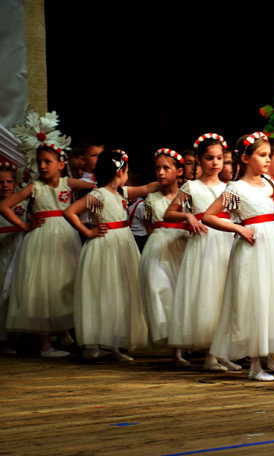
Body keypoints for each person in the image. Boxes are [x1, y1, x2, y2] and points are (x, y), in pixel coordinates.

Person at [206, 132, 274, 380]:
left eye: (269, 155)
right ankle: (255, 365)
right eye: (262, 155)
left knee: (273, 297)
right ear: (246, 158)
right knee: (253, 300)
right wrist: (237, 227)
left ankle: (268, 357)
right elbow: (209, 216)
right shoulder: (235, 188)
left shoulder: (270, 185)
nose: (268, 160)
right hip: (252, 246)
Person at [64, 150, 161, 361]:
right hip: (104, 246)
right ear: (120, 172)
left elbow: (146, 188)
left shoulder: (121, 193)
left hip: (122, 243)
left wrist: (167, 181)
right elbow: (69, 211)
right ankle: (94, 344)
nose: (127, 176)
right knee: (104, 290)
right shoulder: (98, 195)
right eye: (126, 171)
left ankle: (114, 345)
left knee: (120, 292)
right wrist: (88, 231)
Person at [0, 145, 96, 357]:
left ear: (61, 165)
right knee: (43, 288)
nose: (42, 166)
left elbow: (94, 186)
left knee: (65, 284)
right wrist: (24, 226)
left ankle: (64, 329)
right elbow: (4, 206)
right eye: (40, 162)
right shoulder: (34, 187)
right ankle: (45, 345)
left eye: (47, 161)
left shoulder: (67, 183)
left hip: (65, 239)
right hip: (41, 241)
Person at [164, 133, 236, 372]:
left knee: (226, 293)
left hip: (226, 242)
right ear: (198, 160)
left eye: (219, 159)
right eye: (209, 158)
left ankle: (223, 351)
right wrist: (188, 215)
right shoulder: (191, 187)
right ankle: (209, 355)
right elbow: (168, 214)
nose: (215, 163)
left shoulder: (229, 187)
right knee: (208, 294)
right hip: (204, 244)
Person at [138, 148, 190, 366]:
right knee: (162, 291)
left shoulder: (187, 196)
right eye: (157, 168)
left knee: (181, 294)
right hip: (159, 248)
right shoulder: (151, 199)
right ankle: (173, 348)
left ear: (179, 172)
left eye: (166, 168)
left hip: (181, 245)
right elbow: (150, 226)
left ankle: (181, 346)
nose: (161, 172)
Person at [0, 162, 26, 354]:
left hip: (20, 251)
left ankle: (19, 335)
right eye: (0, 182)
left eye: (9, 181)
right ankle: (3, 339)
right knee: (2, 292)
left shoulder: (23, 204)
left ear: (16, 183)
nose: (5, 185)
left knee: (18, 292)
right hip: (2, 252)